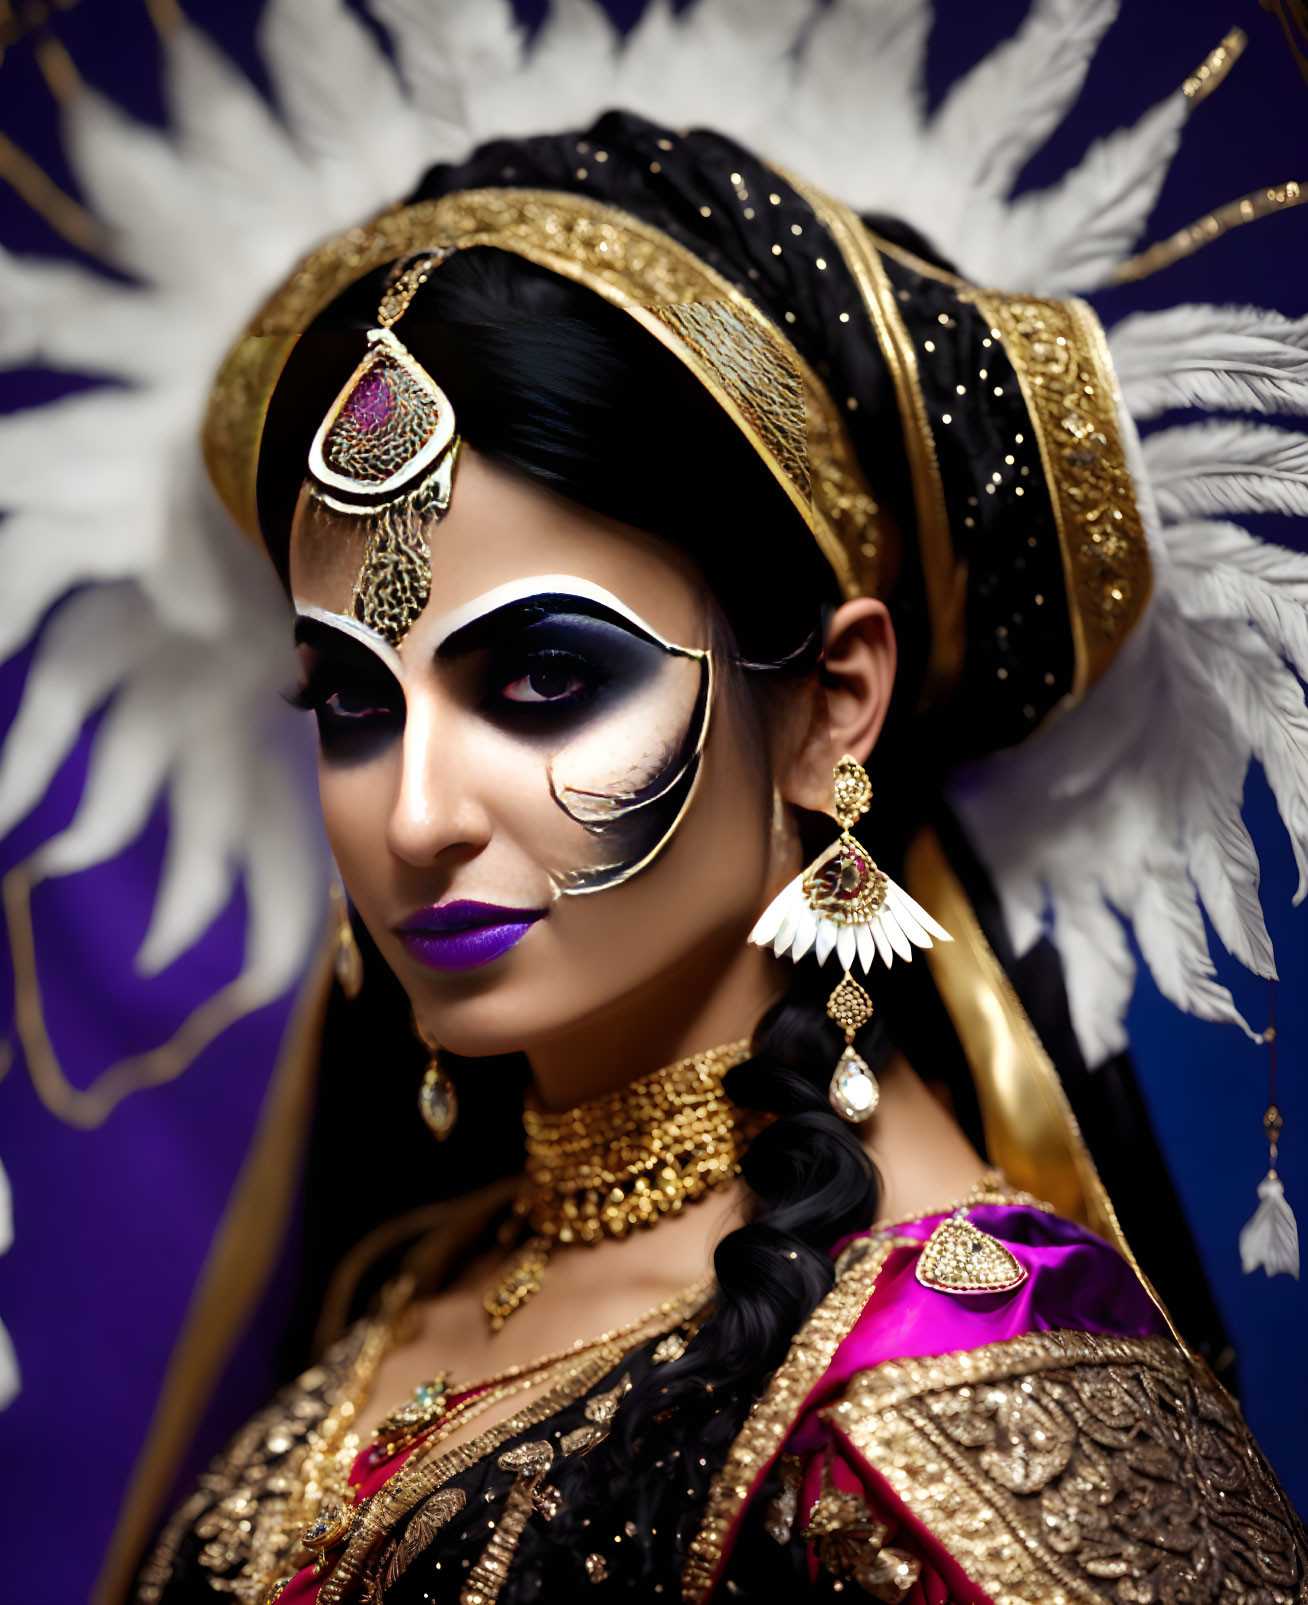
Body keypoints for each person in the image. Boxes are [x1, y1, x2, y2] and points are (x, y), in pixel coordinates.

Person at [123, 105, 1308, 1603]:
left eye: (544, 679)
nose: (415, 814)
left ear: (831, 704)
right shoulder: (408, 1284)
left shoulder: (965, 1381)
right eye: (355, 700)